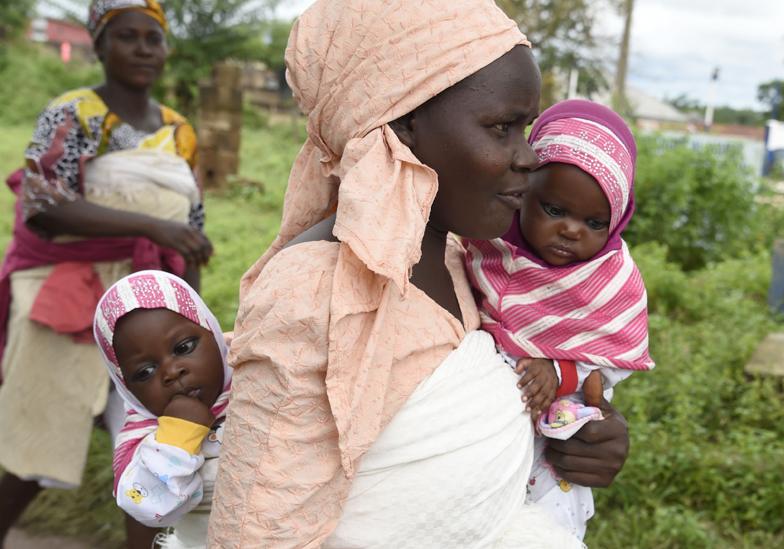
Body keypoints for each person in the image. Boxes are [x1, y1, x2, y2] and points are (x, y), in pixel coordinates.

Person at [208, 1, 630, 547]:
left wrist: (582, 434)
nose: (530, 157)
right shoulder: (315, 295)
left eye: (525, 128)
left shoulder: (460, 262)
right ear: (404, 126)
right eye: (502, 127)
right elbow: (258, 532)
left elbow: (469, 428)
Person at [0, 2, 212, 547]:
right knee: (33, 449)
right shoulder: (73, 114)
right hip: (68, 294)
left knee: (160, 452)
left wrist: (190, 316)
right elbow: (42, 204)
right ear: (99, 44)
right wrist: (153, 228)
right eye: (127, 37)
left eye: (154, 39)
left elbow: (190, 230)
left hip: (148, 313)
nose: (144, 49)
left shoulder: (179, 130)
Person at [464, 99, 652, 540]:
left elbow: (608, 361)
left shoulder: (608, 279)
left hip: (554, 446)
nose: (572, 230)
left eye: (594, 222)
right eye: (554, 210)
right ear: (524, 189)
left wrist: (561, 370)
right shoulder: (483, 245)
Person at [93, 270, 231, 549]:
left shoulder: (260, 378)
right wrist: (178, 438)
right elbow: (145, 505)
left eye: (184, 347)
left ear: (212, 333)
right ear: (126, 387)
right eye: (145, 372)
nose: (171, 372)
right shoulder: (143, 439)